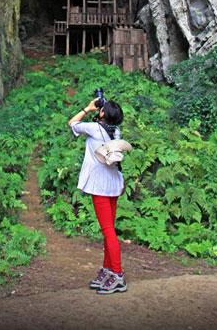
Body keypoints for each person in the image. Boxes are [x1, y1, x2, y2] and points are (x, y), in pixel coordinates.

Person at [68, 97, 126, 294]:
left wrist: (88, 107)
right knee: (108, 229)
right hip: (114, 185)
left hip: (100, 187)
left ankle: (117, 275)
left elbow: (73, 123)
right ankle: (108, 270)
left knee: (108, 230)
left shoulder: (94, 129)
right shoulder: (116, 132)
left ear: (102, 113)